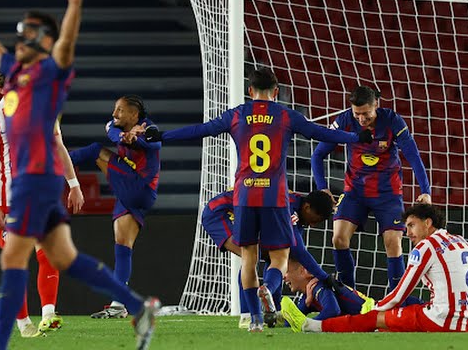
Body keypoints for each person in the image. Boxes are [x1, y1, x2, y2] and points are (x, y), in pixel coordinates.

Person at [0, 0, 159, 350]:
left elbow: (66, 43)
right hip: (34, 183)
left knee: (15, 258)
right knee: (63, 257)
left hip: (35, 181)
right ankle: (137, 307)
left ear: (44, 40)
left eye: (30, 32)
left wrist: (74, 4)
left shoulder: (50, 72)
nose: (22, 39)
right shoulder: (15, 74)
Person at [138, 67, 372, 332]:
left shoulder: (237, 115)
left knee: (249, 257)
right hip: (275, 197)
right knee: (280, 257)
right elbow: (321, 133)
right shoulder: (285, 115)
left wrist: (162, 135)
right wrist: (355, 137)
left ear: (250, 91)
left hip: (244, 195)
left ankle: (253, 319)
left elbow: (200, 130)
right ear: (276, 92)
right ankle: (268, 289)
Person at [282, 203, 468, 333]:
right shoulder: (460, 240)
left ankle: (311, 327)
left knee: (376, 319)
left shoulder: (426, 247)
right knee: (423, 305)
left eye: (411, 225)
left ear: (428, 223)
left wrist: (377, 309)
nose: (407, 232)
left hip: (443, 320)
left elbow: (400, 293)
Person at [0, 68, 85, 337]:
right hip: (10, 200)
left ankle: (48, 314)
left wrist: (73, 184)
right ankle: (23, 323)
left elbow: (58, 146)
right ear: (0, 89)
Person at [310, 86, 431, 292]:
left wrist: (425, 190)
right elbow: (318, 154)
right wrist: (322, 188)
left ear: (376, 105)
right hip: (355, 192)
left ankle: (397, 300)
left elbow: (413, 156)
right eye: (357, 113)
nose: (361, 119)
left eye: (366, 113)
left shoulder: (392, 121)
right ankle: (349, 296)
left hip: (387, 193)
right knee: (338, 238)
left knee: (393, 243)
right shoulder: (345, 120)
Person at [68, 95, 161, 319]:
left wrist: (137, 140)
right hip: (130, 192)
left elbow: (155, 143)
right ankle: (119, 304)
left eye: (119, 110)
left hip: (139, 186)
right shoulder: (114, 126)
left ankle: (51, 165)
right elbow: (111, 131)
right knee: (122, 245)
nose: (114, 114)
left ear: (134, 114)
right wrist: (124, 137)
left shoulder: (150, 129)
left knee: (95, 150)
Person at [202, 189, 337, 327]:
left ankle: (274, 310)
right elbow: (299, 250)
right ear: (307, 207)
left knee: (274, 255)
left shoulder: (296, 208)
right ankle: (247, 315)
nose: (313, 225)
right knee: (251, 256)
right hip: (220, 213)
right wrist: (324, 277)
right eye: (315, 219)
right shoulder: (288, 207)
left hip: (244, 213)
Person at [282, 257, 468, 326]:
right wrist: (293, 313)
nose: (284, 276)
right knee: (457, 308)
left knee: (455, 311)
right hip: (387, 309)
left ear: (304, 271)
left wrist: (308, 321)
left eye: (287, 270)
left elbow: (331, 311)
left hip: (388, 310)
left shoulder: (319, 287)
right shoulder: (313, 291)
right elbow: (293, 319)